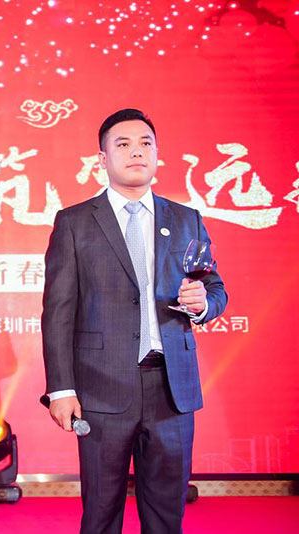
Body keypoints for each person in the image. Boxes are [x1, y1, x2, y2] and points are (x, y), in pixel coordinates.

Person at [42, 108, 227, 533]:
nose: (136, 152)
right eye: (123, 144)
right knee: (101, 515)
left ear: (158, 153)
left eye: (145, 143)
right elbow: (58, 312)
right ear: (102, 158)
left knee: (166, 516)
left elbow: (214, 288)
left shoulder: (186, 218)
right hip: (101, 388)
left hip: (171, 390)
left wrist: (202, 303)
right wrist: (61, 389)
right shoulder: (74, 222)